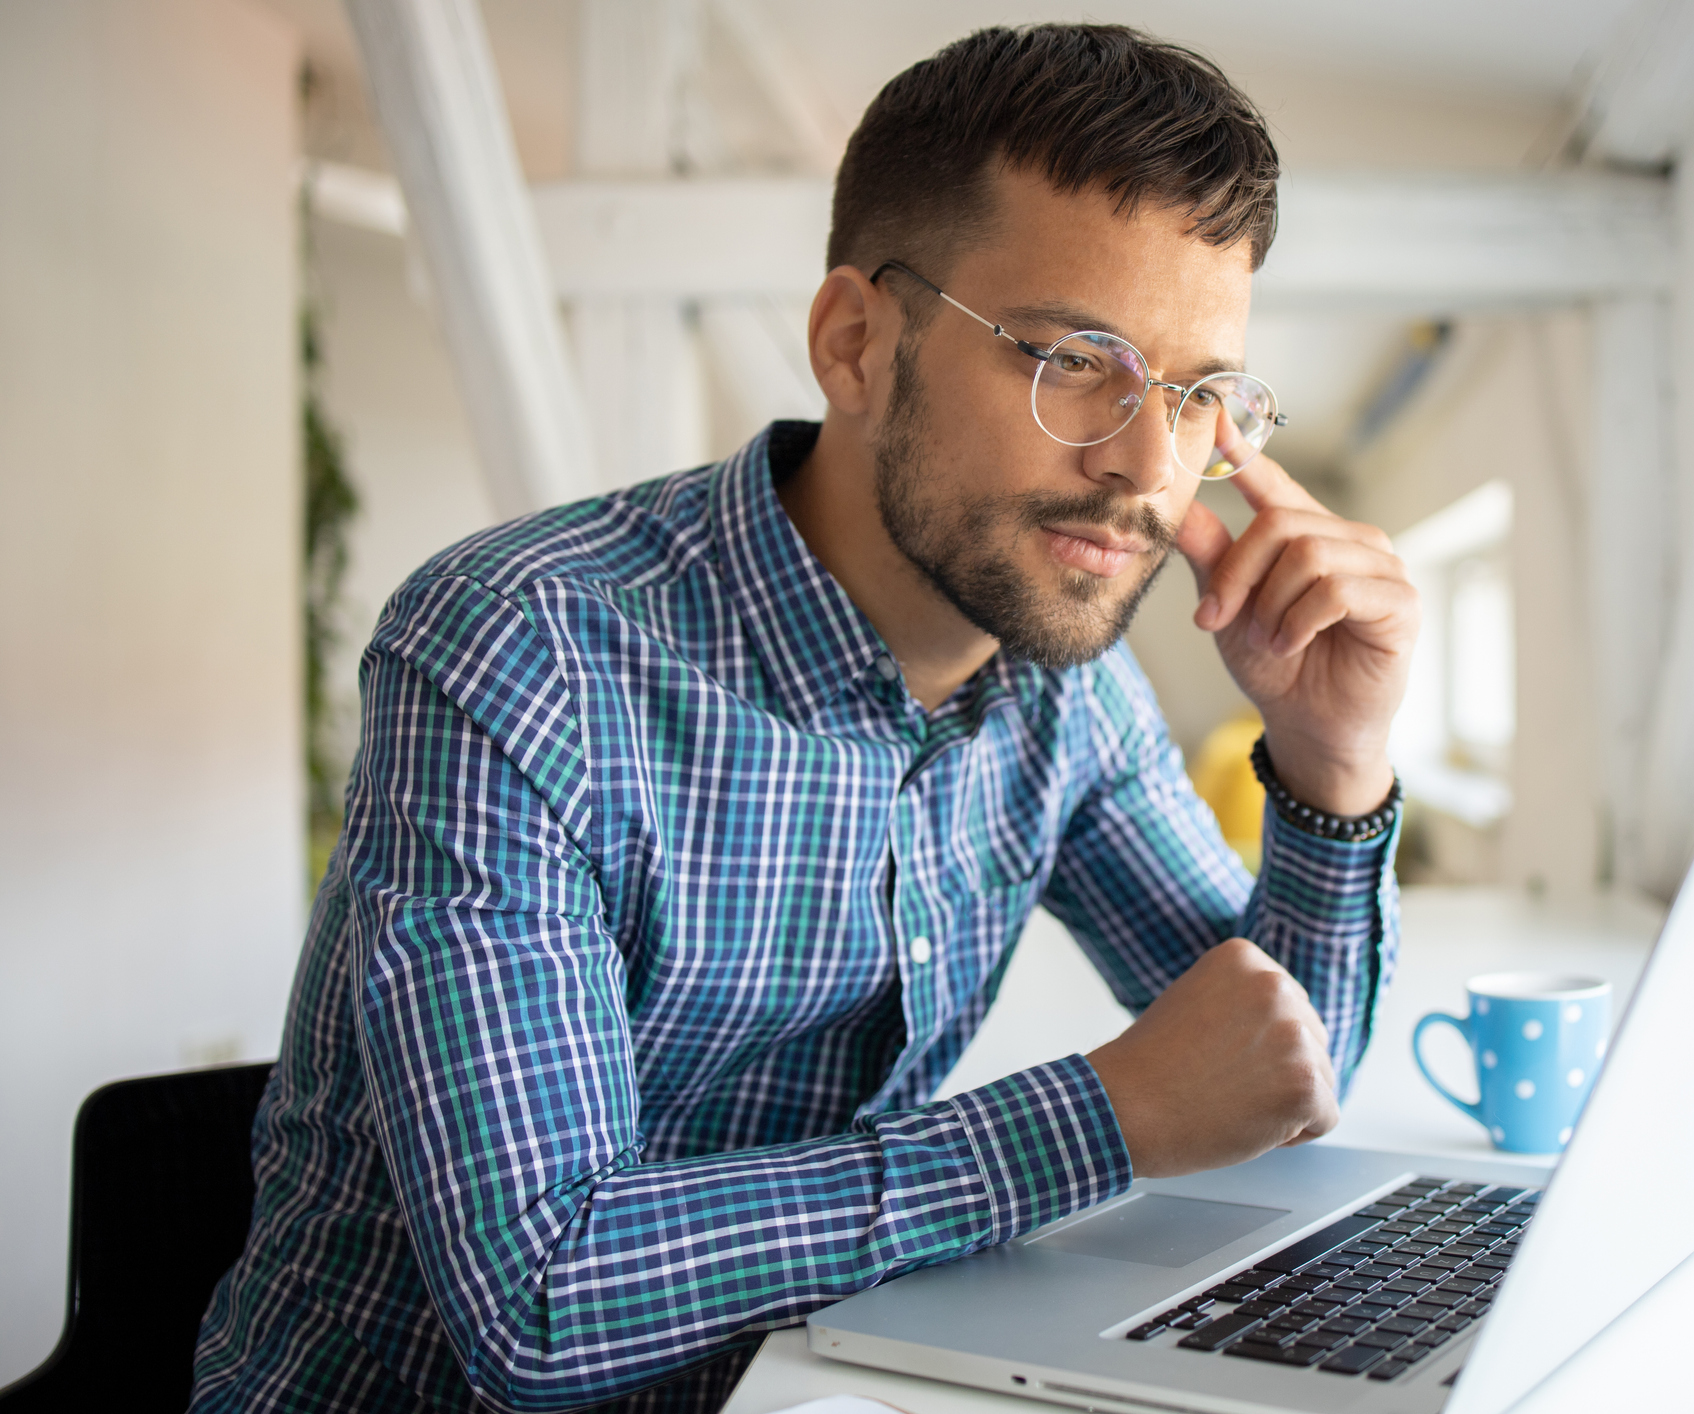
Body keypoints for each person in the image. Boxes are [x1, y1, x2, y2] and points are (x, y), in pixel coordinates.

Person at [193, 23, 1419, 1414]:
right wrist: (1103, 1115)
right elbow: (536, 1297)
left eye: (1201, 395)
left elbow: (1275, 1074)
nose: (1150, 465)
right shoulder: (520, 648)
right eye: (1077, 360)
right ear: (852, 341)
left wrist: (1332, 764)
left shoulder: (1066, 687)